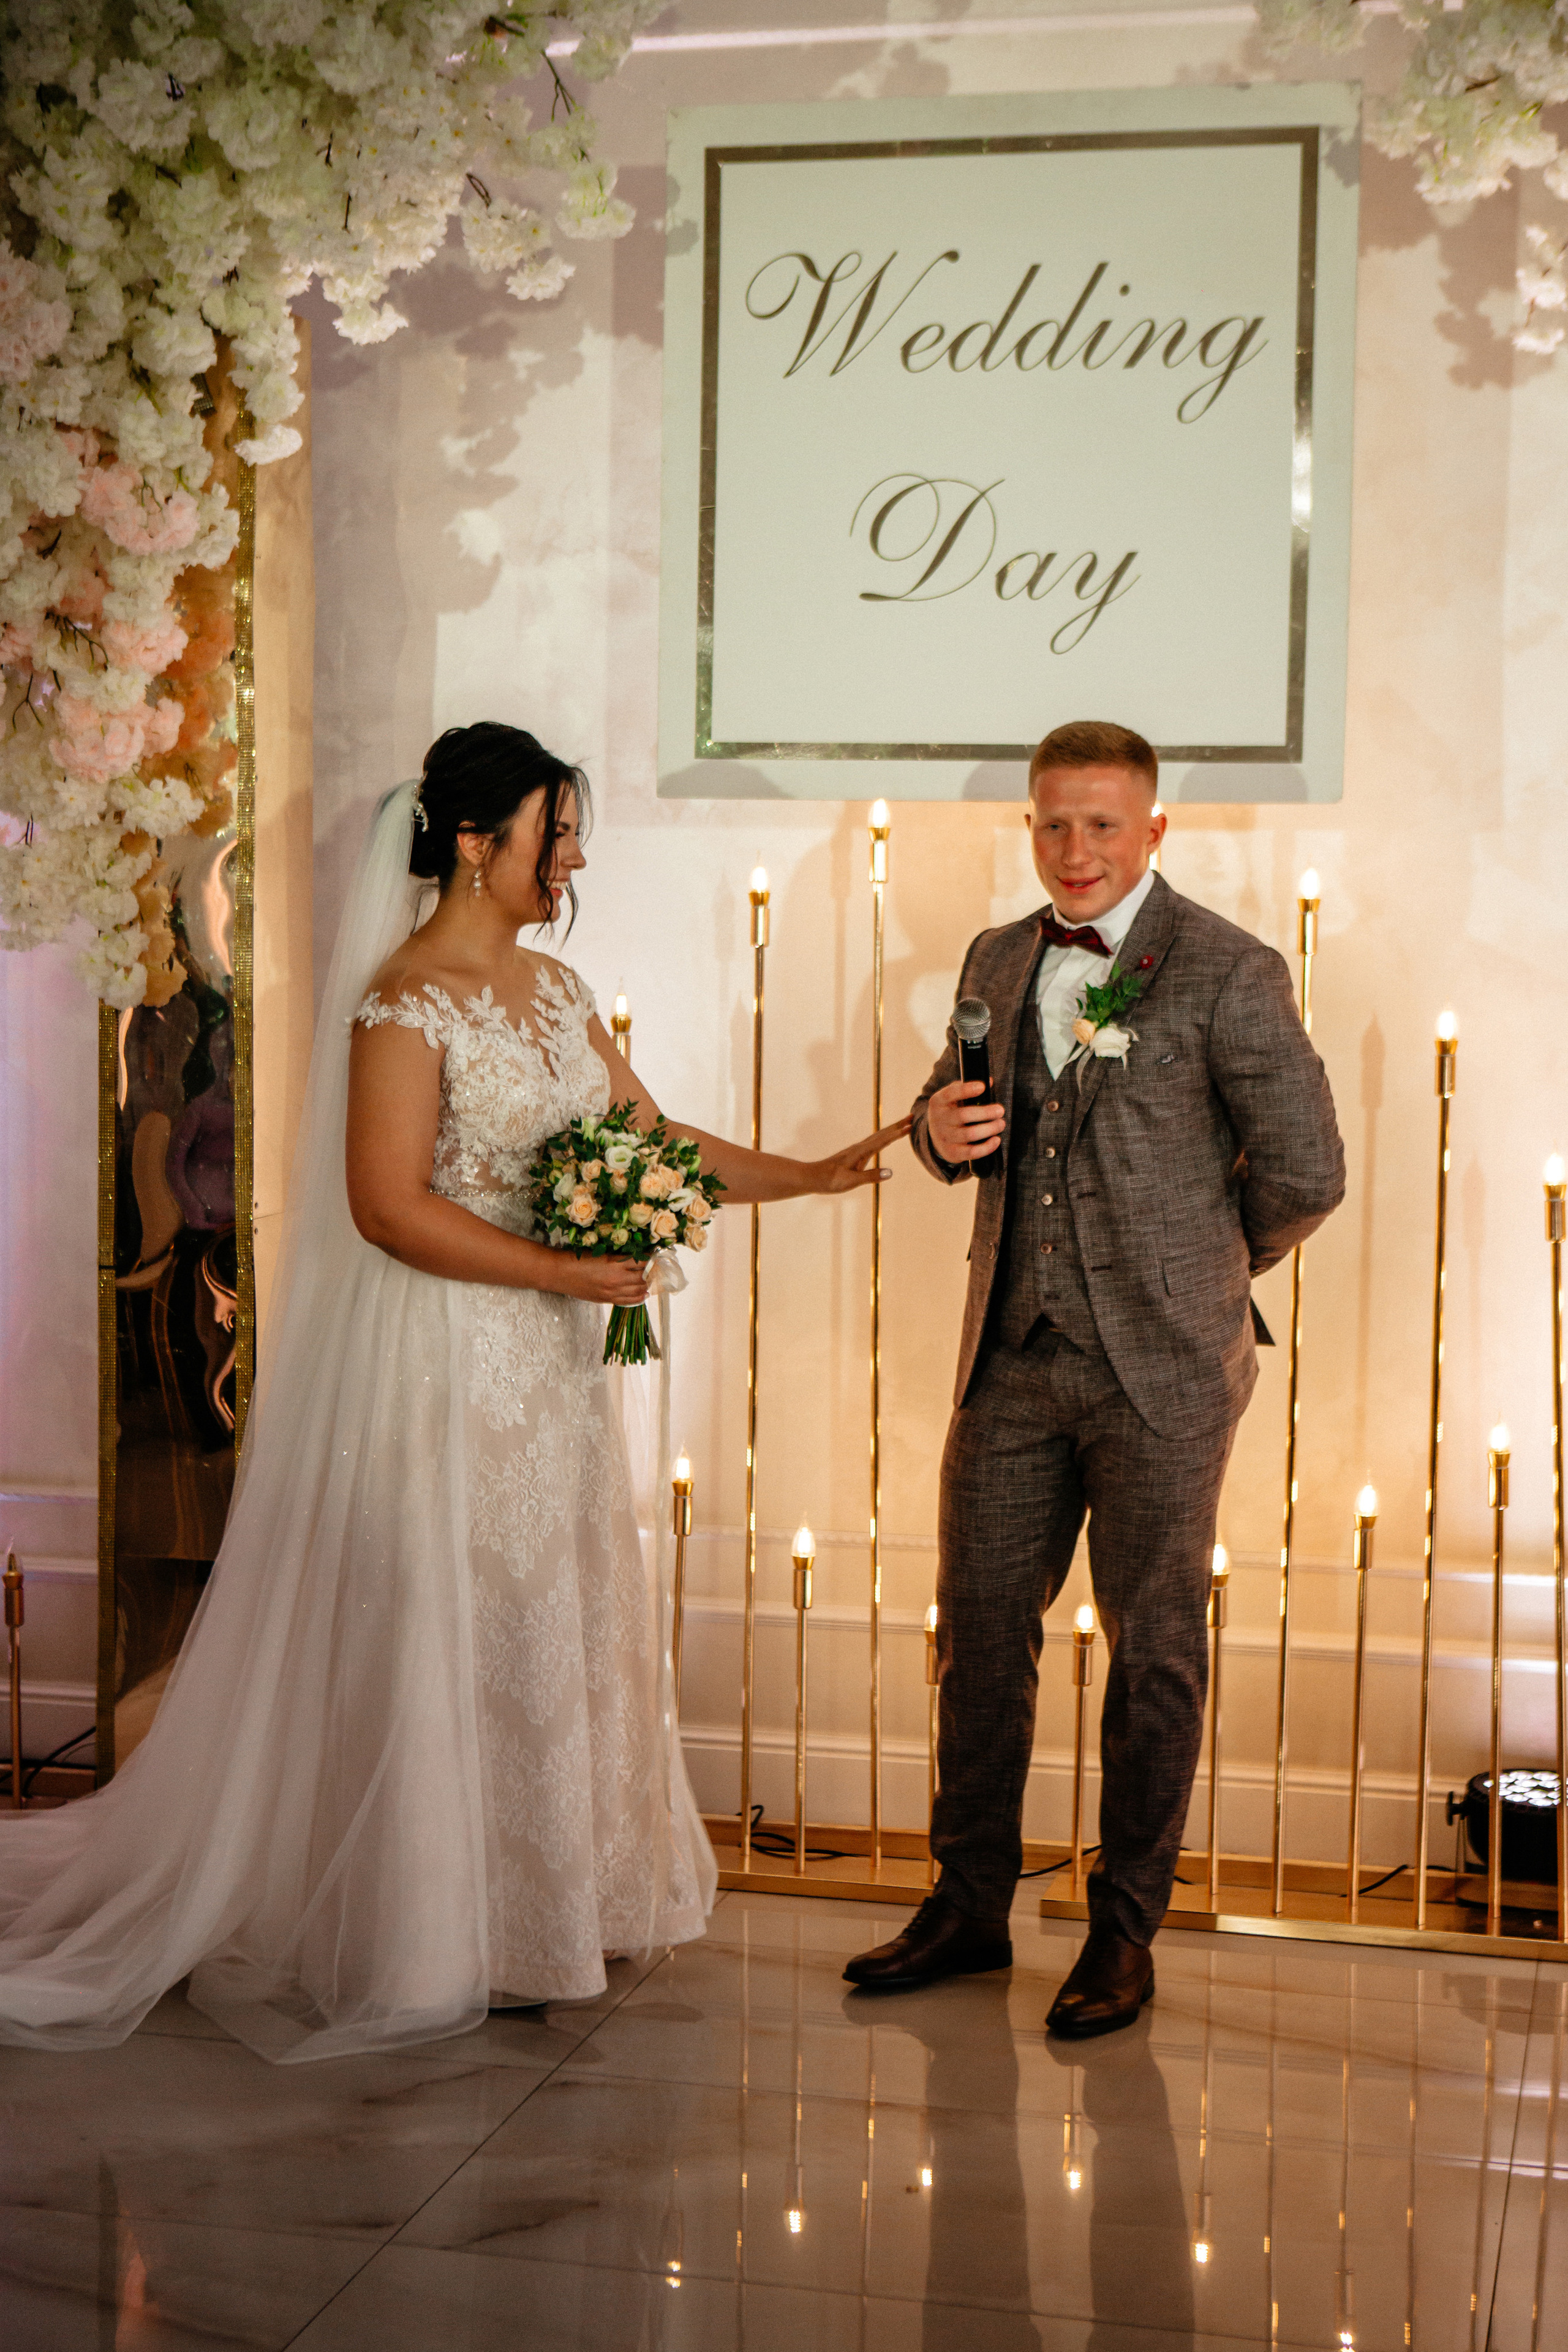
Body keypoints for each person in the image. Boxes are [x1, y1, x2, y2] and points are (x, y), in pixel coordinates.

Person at [0, 722, 906, 2062]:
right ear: (478, 844)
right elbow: (385, 1206)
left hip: (548, 1368)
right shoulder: (401, 1002)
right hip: (445, 1366)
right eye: (558, 830)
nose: (577, 855)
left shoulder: (552, 989)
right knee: (459, 1618)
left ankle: (551, 1910)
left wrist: (811, 1172)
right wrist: (558, 1265)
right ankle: (441, 1923)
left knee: (549, 1612)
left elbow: (646, 1133)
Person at [844, 719, 1344, 2037]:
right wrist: (930, 1134)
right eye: (1053, 824)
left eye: (1103, 825)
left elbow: (1305, 1170)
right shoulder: (996, 956)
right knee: (981, 1636)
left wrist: (1198, 1272)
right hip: (1010, 1358)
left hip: (1165, 1377)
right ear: (1029, 827)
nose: (1075, 850)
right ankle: (966, 1904)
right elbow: (953, 1114)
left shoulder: (1232, 973)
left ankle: (1124, 1931)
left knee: (1152, 1648)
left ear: (1153, 831)